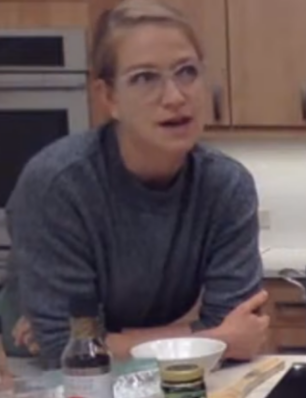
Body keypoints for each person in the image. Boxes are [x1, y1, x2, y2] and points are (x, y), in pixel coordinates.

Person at [3, 0, 270, 368]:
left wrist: (116, 340)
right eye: (145, 77)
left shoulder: (227, 186)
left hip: (171, 380)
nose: (175, 97)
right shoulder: (58, 185)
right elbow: (67, 350)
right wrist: (210, 338)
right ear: (108, 97)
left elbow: (238, 326)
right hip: (48, 389)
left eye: (187, 72)